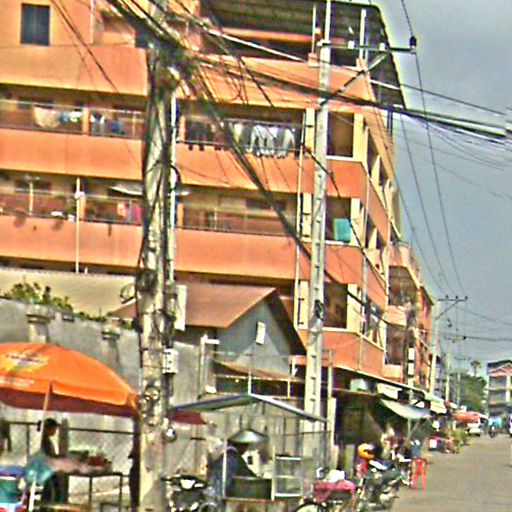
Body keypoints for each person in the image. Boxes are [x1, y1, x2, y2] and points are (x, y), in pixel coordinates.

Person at [207, 431, 260, 498]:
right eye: (246, 446)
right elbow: (249, 476)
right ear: (242, 446)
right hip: (223, 495)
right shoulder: (235, 459)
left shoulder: (223, 457)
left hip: (212, 493)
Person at [40, 418, 63, 503]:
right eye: (54, 429)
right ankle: (49, 506)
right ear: (47, 429)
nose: (55, 431)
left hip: (49, 468)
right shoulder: (44, 441)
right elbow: (49, 455)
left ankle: (47, 505)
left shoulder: (46, 440)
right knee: (53, 491)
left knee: (50, 490)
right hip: (47, 469)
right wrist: (60, 457)